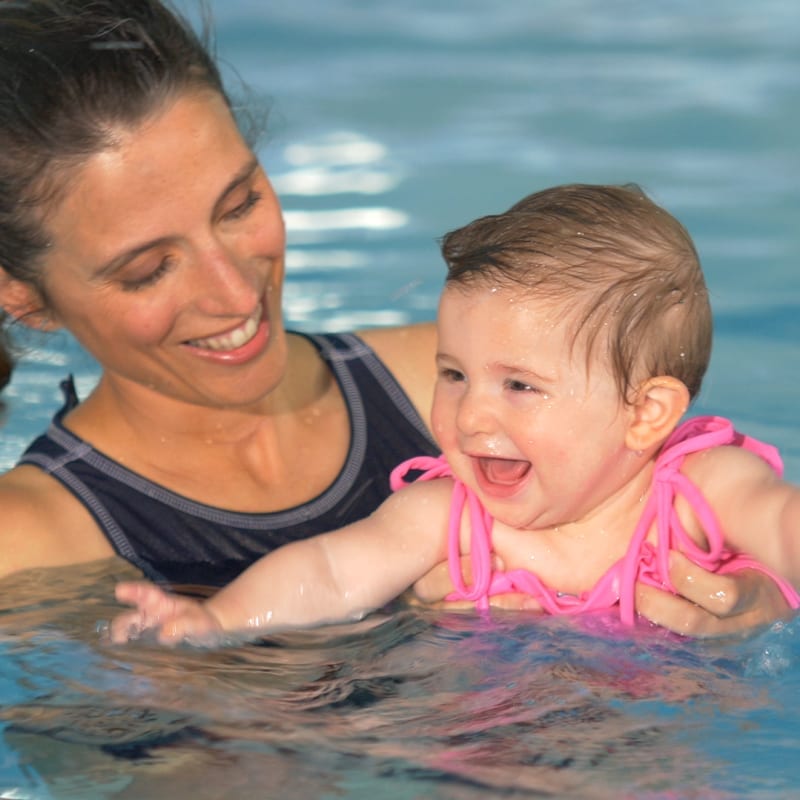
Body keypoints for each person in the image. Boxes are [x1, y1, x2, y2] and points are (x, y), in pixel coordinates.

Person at [0, 1, 786, 636]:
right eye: (149, 269)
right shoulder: (27, 546)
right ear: (21, 295)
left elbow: (764, 518)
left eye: (240, 204)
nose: (236, 294)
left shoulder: (462, 369)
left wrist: (756, 604)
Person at [111, 183, 800, 644]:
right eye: (453, 374)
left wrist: (757, 601)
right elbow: (329, 572)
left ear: (646, 413)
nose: (470, 417)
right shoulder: (451, 516)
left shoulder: (696, 492)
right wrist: (218, 618)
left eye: (519, 386)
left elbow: (784, 525)